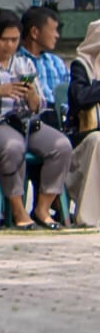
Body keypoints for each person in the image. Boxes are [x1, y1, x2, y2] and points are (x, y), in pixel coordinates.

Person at [0, 9, 72, 230]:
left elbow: (38, 107)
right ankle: (17, 210)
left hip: (24, 123)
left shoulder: (24, 64)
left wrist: (32, 95)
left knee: (60, 146)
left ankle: (43, 207)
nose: (11, 45)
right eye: (5, 40)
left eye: (15, 40)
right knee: (13, 145)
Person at [65, 18, 100, 227]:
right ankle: (90, 217)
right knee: (98, 140)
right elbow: (80, 98)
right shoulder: (82, 66)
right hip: (85, 137)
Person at [17, 7, 68, 113]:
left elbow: (70, 93)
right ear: (34, 32)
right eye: (53, 30)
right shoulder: (17, 62)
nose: (57, 35)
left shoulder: (56, 62)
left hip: (63, 119)